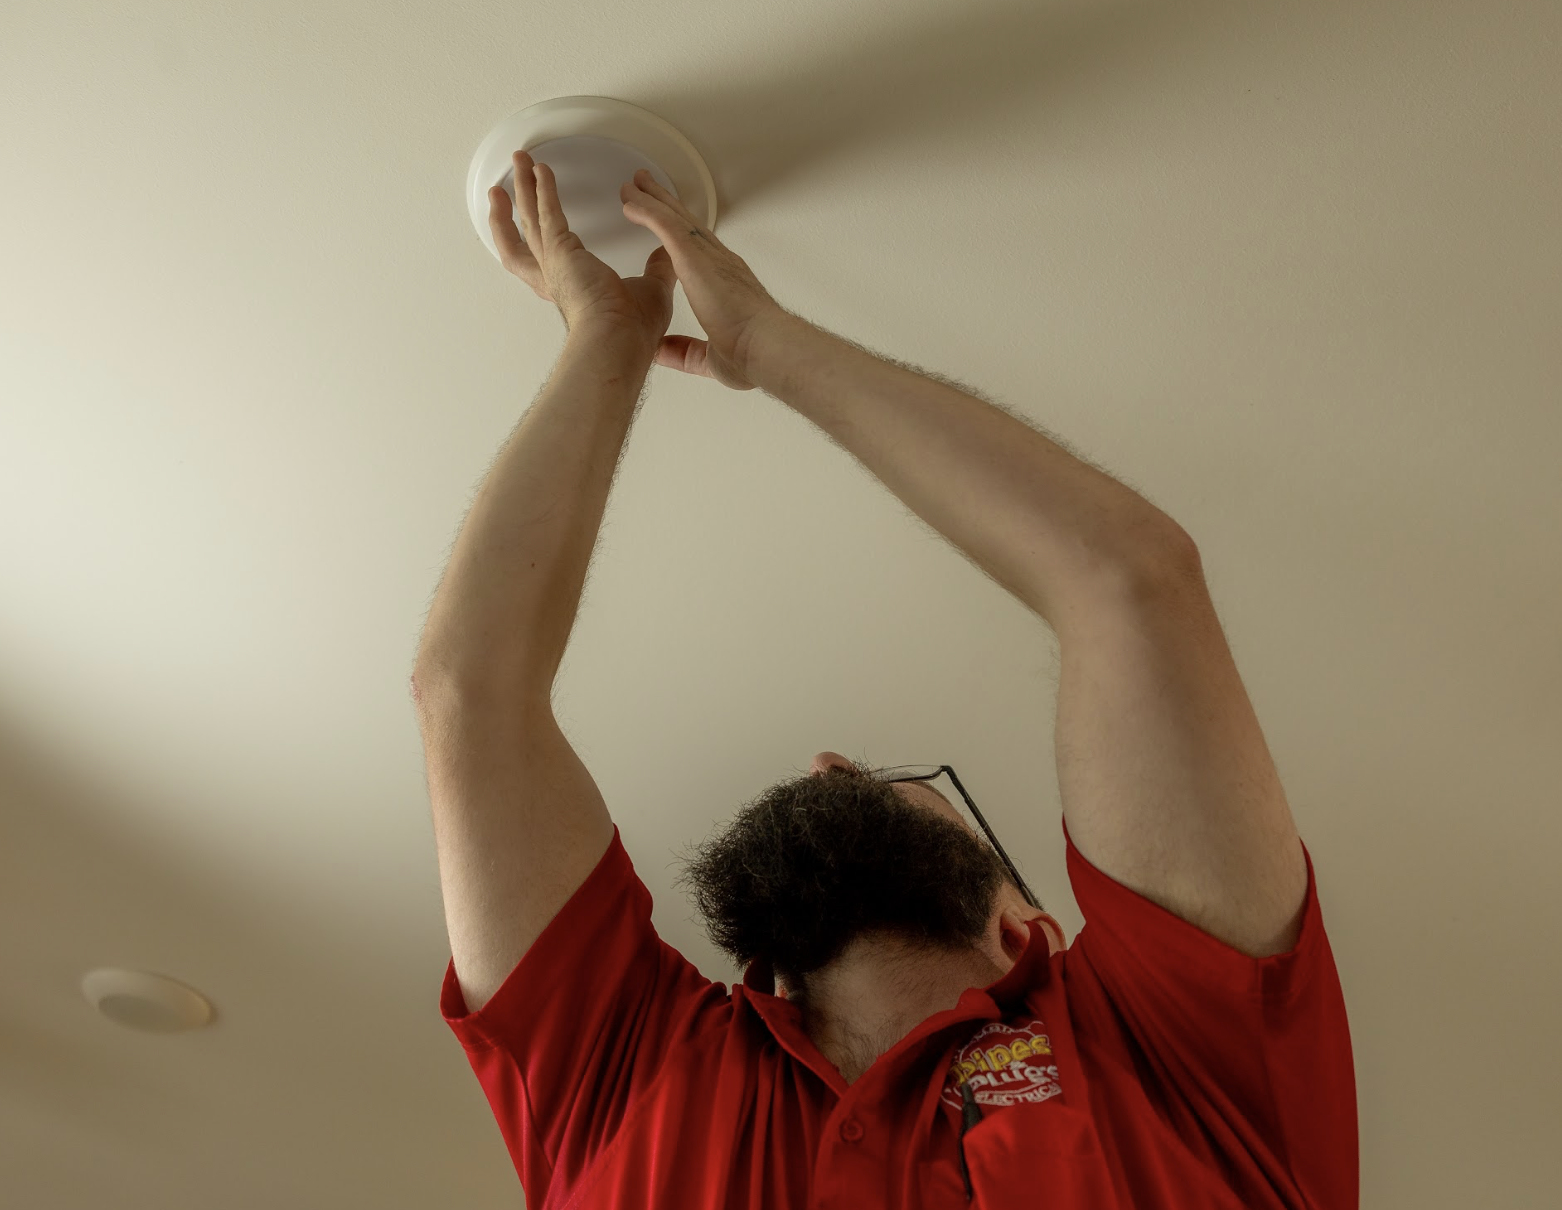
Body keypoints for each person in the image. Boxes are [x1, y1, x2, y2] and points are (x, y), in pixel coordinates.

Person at [410, 151, 1356, 1208]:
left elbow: (467, 695)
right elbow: (1124, 587)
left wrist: (771, 347)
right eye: (897, 779)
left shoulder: (1179, 1062)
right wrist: (608, 341)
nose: (827, 765)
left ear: (1024, 933)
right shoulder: (633, 1075)